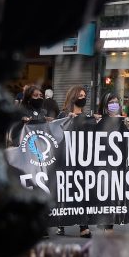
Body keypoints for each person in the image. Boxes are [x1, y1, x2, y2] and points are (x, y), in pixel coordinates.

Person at [56, 85, 91, 238]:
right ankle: (60, 223)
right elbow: (55, 134)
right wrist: (67, 120)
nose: (83, 98)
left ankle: (83, 226)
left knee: (82, 192)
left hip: (82, 160)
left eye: (84, 95)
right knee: (65, 191)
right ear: (73, 97)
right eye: (80, 95)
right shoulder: (63, 115)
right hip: (65, 159)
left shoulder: (86, 116)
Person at [96, 92, 123, 234]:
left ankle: (107, 223)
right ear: (105, 106)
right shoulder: (100, 121)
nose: (114, 104)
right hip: (104, 164)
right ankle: (107, 225)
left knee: (114, 195)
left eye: (116, 102)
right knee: (107, 195)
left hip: (120, 164)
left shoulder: (124, 121)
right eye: (111, 102)